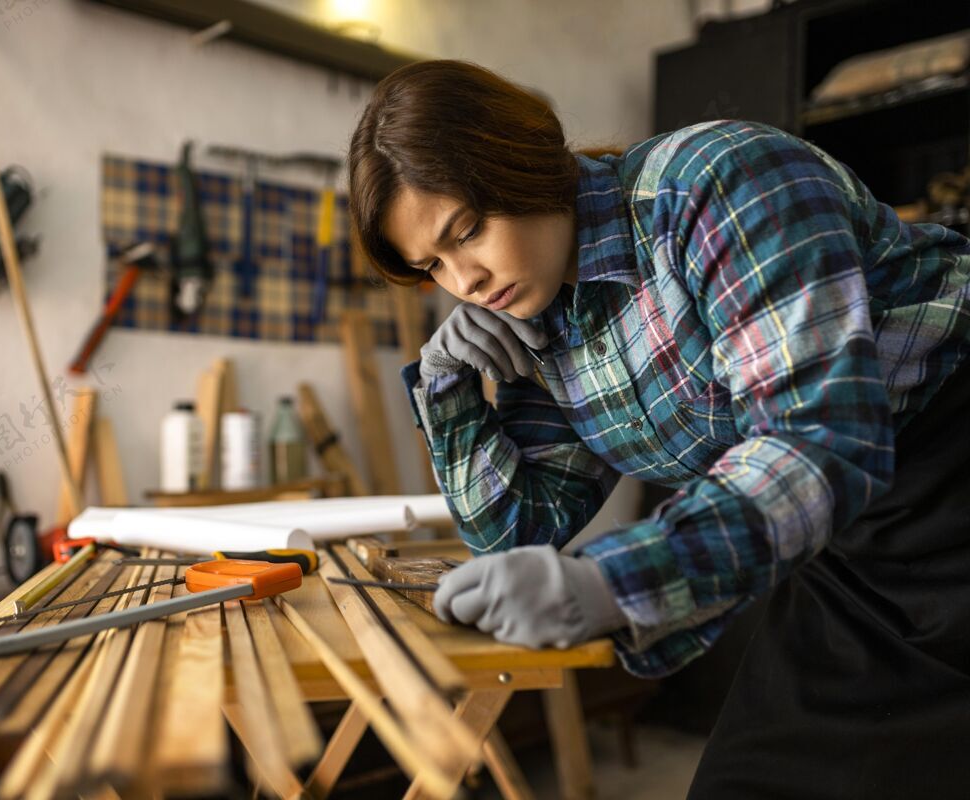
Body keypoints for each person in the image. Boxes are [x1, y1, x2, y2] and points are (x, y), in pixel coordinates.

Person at [346, 59, 970, 798]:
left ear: (524, 162)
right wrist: (449, 386)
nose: (466, 283)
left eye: (469, 231)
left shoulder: (719, 181)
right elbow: (515, 539)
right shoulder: (536, 311)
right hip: (854, 535)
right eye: (433, 267)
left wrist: (613, 584)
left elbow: (821, 441)